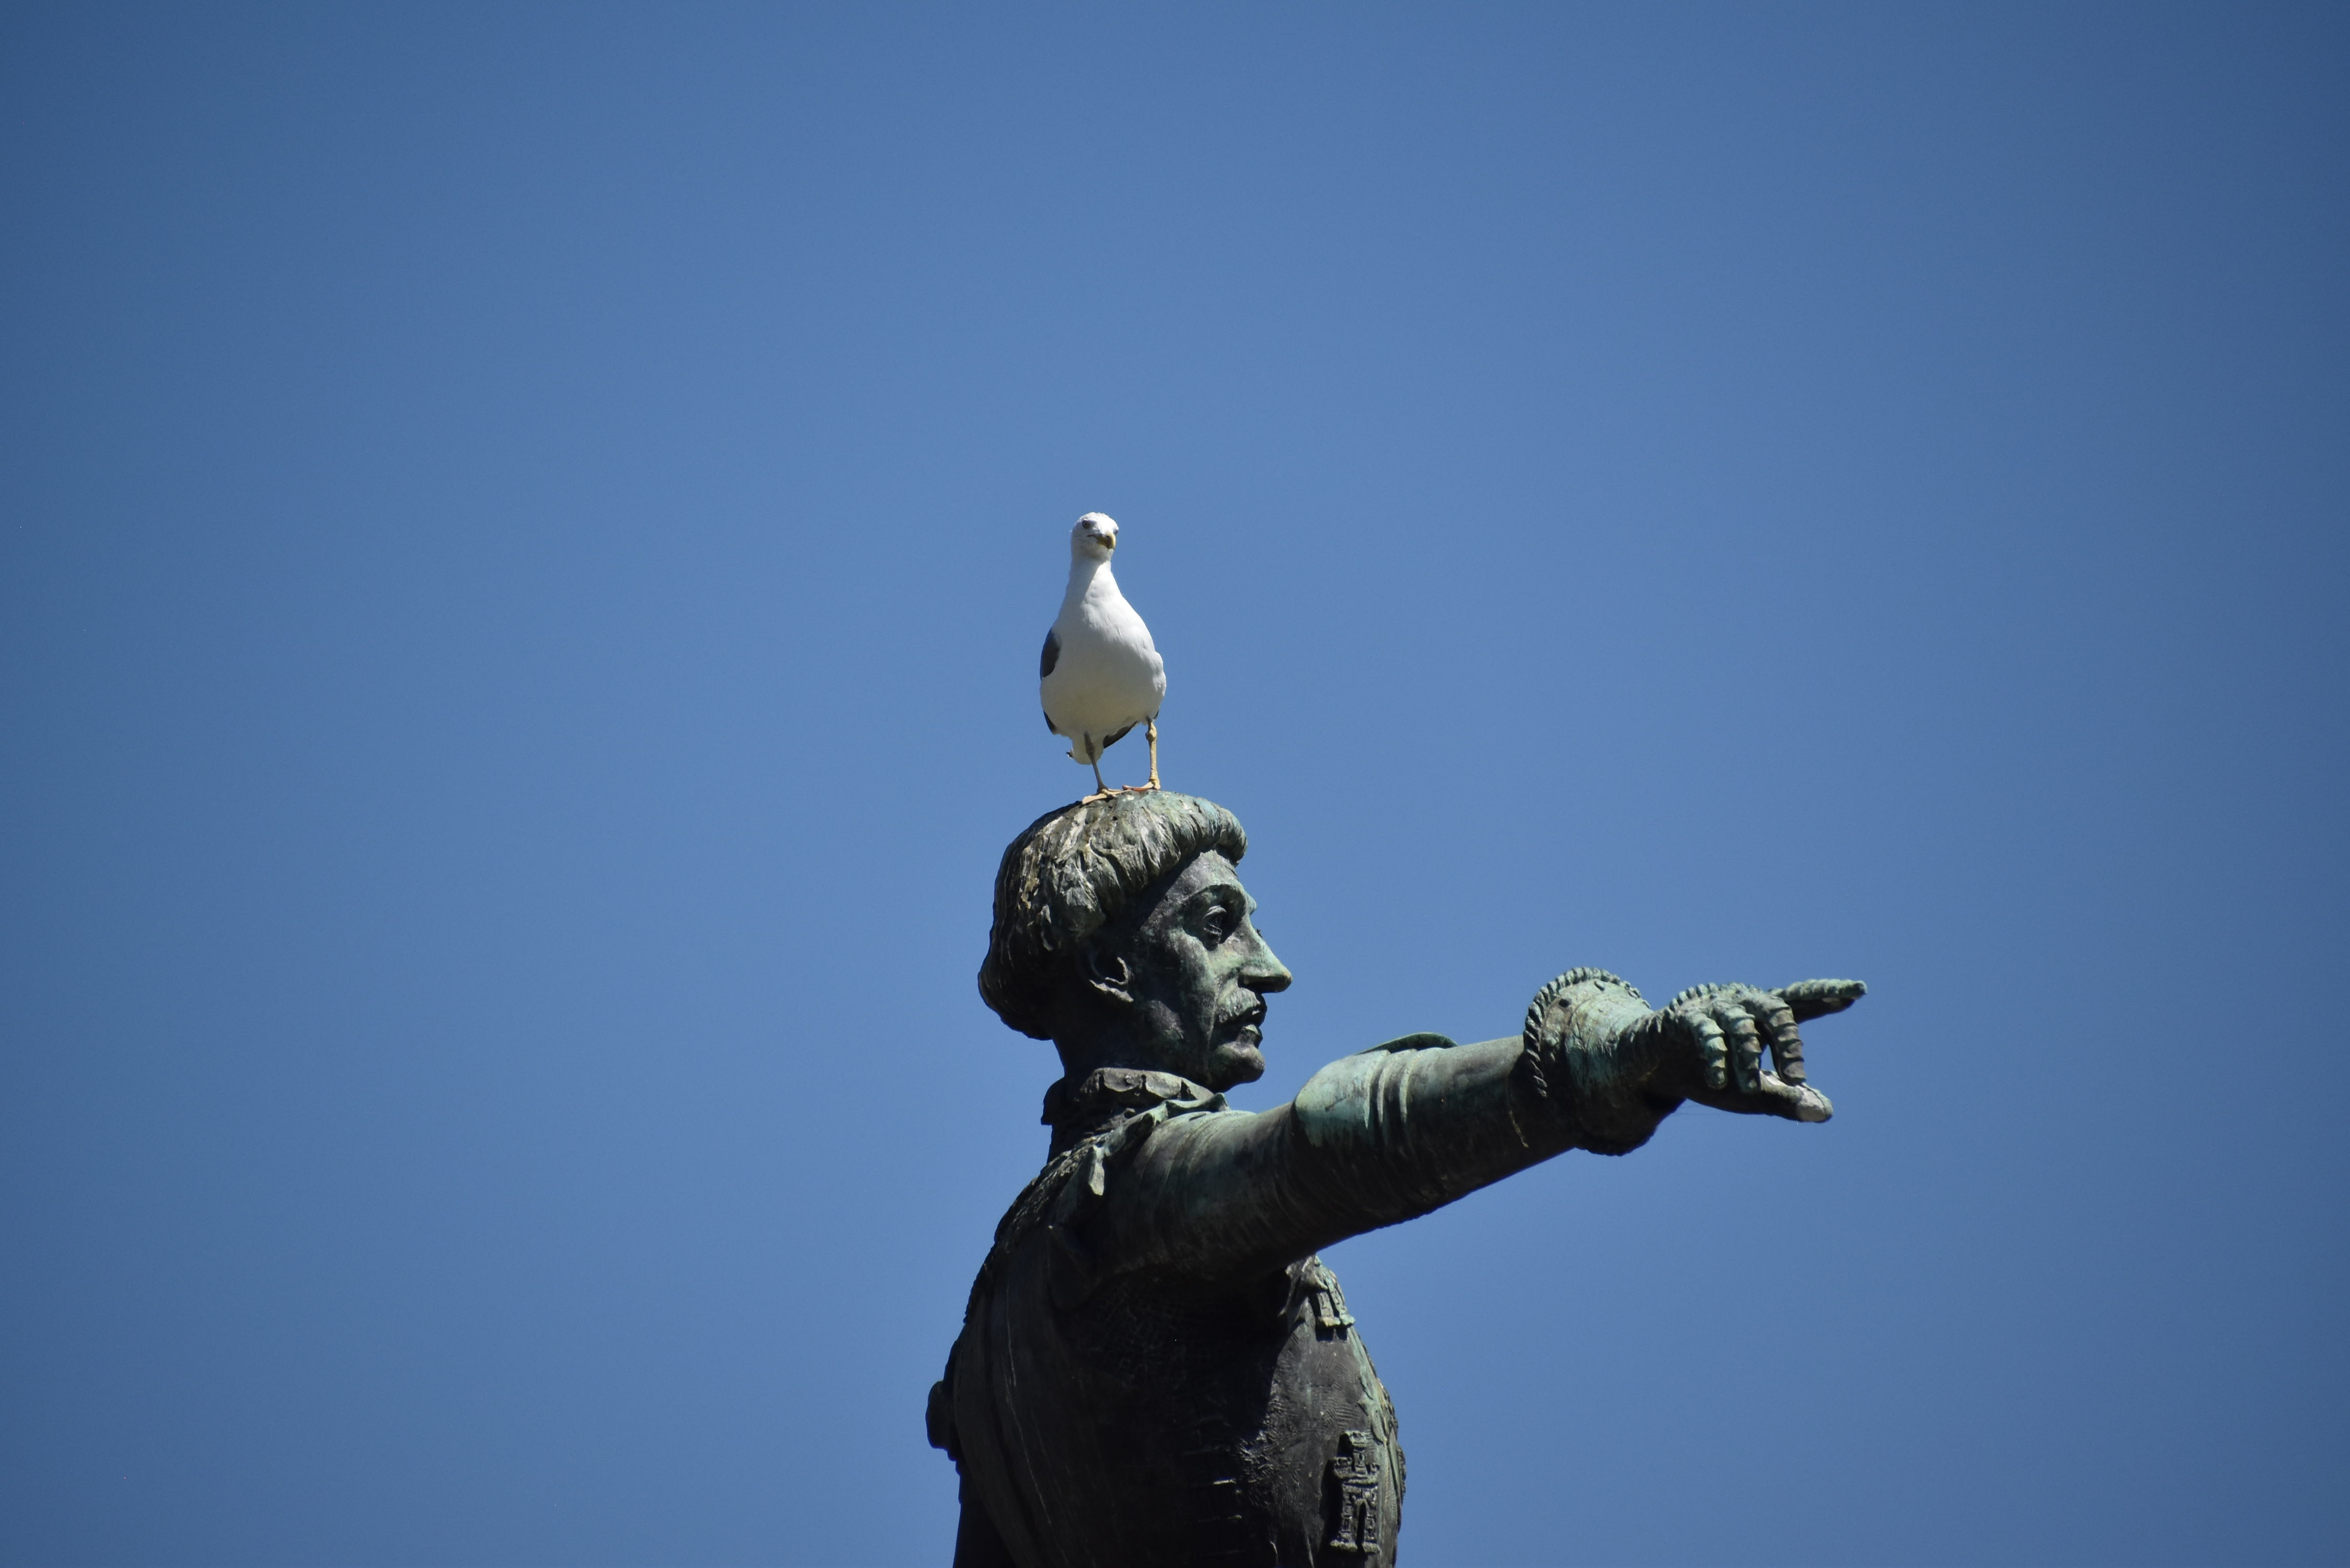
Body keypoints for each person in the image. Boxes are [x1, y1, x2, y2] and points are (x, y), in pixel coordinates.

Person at [929, 792, 1864, 1566]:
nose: (1271, 968)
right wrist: (1613, 1060)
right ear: (1111, 967)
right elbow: (1341, 1145)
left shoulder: (994, 1325)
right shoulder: (1132, 1200)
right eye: (1217, 927)